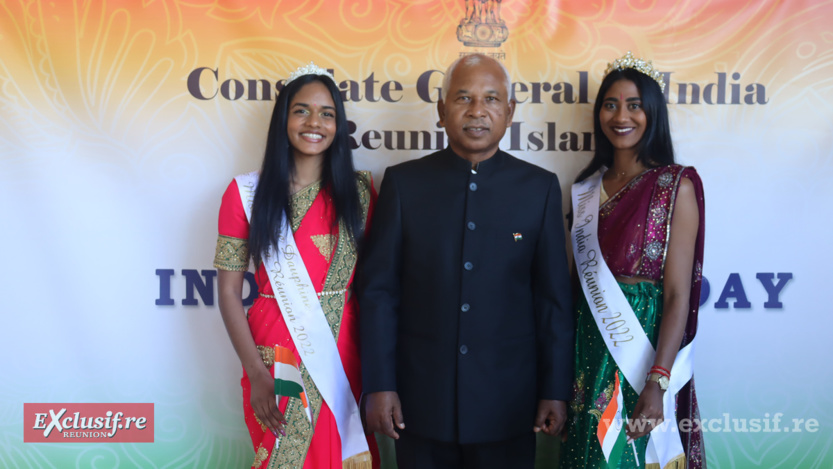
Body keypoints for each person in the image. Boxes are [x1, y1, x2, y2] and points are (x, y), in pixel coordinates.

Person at [358, 53, 574, 469]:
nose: (477, 110)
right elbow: (380, 293)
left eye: (491, 98)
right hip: (421, 404)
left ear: (510, 111)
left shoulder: (539, 189)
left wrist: (555, 390)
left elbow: (552, 301)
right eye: (463, 98)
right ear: (442, 111)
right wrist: (380, 385)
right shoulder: (403, 183)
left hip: (509, 406)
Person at [213, 63, 378, 469]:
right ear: (283, 119)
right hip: (274, 353)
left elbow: (378, 285)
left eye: (327, 114)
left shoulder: (361, 193)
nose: (314, 123)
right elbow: (229, 292)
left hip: (345, 350)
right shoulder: (245, 193)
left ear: (338, 124)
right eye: (301, 110)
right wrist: (256, 372)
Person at [561, 52, 706, 468]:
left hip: (642, 351)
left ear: (652, 113)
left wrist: (658, 381)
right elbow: (573, 286)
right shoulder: (585, 189)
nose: (621, 116)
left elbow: (677, 295)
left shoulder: (675, 185)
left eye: (634, 105)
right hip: (587, 350)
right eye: (610, 104)